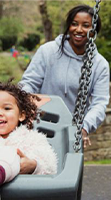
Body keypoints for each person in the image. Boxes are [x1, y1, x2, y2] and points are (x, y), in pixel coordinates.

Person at [19, 4, 110, 149]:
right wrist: (26, 102)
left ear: (94, 31)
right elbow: (29, 82)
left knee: (67, 168)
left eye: (85, 25)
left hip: (71, 129)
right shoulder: (48, 51)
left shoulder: (100, 65)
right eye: (74, 24)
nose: (78, 29)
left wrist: (84, 128)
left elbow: (99, 103)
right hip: (39, 123)